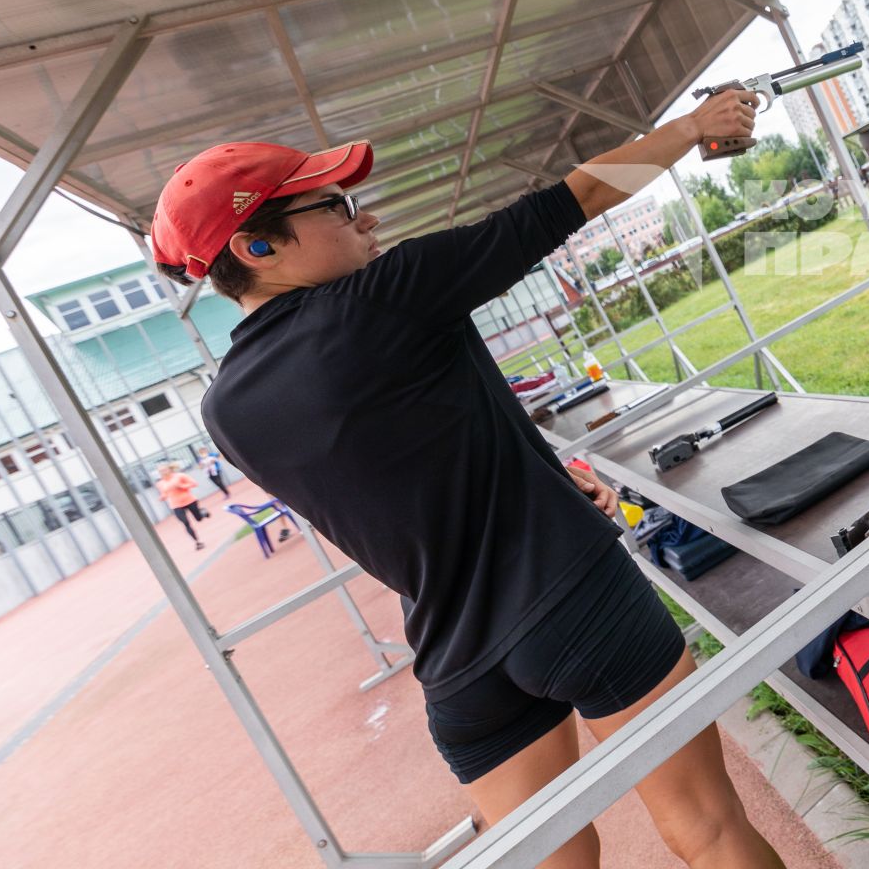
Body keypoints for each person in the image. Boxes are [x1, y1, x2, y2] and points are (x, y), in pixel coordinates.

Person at [151, 90, 781, 869]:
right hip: (574, 597)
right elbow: (570, 200)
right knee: (707, 827)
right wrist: (694, 127)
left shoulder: (225, 411)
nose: (367, 219)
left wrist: (545, 476)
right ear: (256, 248)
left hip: (457, 659)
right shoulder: (383, 298)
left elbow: (402, 472)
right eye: (337, 205)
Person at [156, 461, 208, 551]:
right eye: (161, 471)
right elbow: (164, 494)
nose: (163, 472)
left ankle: (203, 513)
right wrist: (162, 497)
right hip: (176, 505)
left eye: (164, 470)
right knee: (186, 523)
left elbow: (194, 484)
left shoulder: (180, 476)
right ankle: (197, 542)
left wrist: (182, 486)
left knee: (198, 519)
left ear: (169, 469)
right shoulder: (160, 483)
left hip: (189, 500)